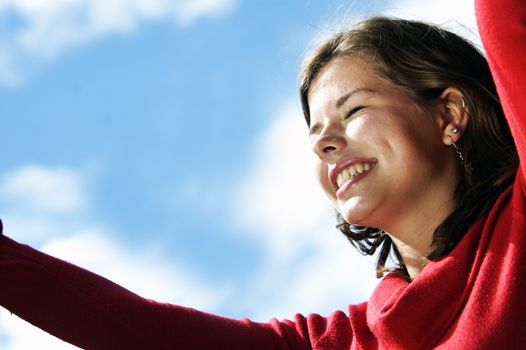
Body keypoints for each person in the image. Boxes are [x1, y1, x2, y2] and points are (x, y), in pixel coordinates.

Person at [1, 0, 524, 348]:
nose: (324, 141)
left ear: (450, 113)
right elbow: (141, 332)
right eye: (316, 130)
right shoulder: (349, 339)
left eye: (354, 110)